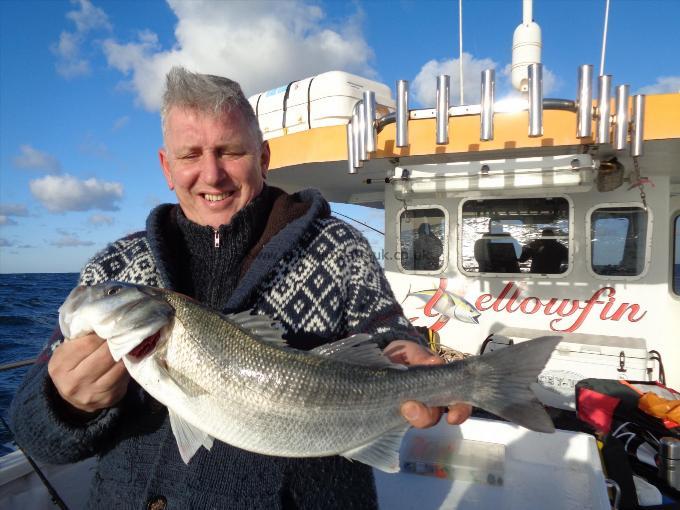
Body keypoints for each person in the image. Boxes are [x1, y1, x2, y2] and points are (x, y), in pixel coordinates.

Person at [10, 67, 471, 509]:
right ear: (167, 167)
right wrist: (65, 403)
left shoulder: (339, 246)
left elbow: (387, 329)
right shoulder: (117, 265)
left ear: (263, 158)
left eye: (230, 151)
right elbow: (33, 432)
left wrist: (405, 349)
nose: (212, 175)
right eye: (191, 155)